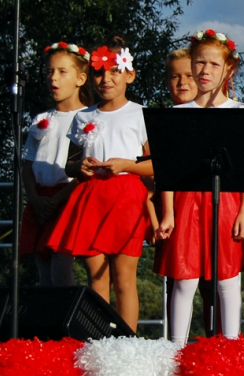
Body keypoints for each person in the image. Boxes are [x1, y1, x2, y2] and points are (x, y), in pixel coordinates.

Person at [47, 35, 153, 331]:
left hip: (126, 196)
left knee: (124, 277)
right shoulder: (83, 116)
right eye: (98, 72)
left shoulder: (140, 114)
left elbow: (155, 165)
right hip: (91, 198)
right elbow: (70, 163)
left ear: (129, 74)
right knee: (96, 276)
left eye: (114, 71)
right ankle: (100, 338)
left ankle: (128, 343)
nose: (106, 79)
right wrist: (78, 167)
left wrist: (126, 165)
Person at [155, 29, 244, 347]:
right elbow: (168, 171)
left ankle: (231, 346)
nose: (205, 70)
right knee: (184, 279)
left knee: (227, 277)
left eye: (213, 64)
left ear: (229, 69)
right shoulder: (178, 114)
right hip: (186, 202)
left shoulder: (240, 112)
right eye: (199, 63)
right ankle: (176, 349)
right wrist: (168, 213)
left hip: (226, 200)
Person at [21, 41, 92, 286]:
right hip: (40, 200)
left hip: (68, 199)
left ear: (80, 78)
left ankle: (65, 312)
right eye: (50, 71)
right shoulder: (41, 119)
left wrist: (58, 199)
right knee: (44, 275)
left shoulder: (87, 118)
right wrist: (35, 198)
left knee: (60, 273)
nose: (54, 78)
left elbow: (86, 168)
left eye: (62, 72)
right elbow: (27, 166)